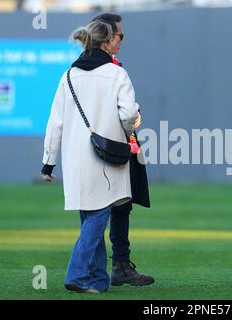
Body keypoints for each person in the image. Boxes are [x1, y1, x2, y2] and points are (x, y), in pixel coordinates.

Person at [41, 19, 140, 293]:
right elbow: (129, 114)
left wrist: (48, 162)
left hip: (75, 161)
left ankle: (97, 280)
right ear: (107, 43)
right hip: (106, 157)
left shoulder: (68, 76)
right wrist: (128, 129)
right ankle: (77, 273)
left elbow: (55, 123)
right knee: (98, 216)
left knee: (90, 216)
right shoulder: (117, 74)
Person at [90, 13, 154, 287]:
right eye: (120, 35)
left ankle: (119, 264)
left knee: (121, 207)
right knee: (103, 210)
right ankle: (100, 269)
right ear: (107, 37)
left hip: (117, 145)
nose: (121, 40)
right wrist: (134, 118)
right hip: (106, 147)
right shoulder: (106, 69)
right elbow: (126, 113)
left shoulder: (111, 65)